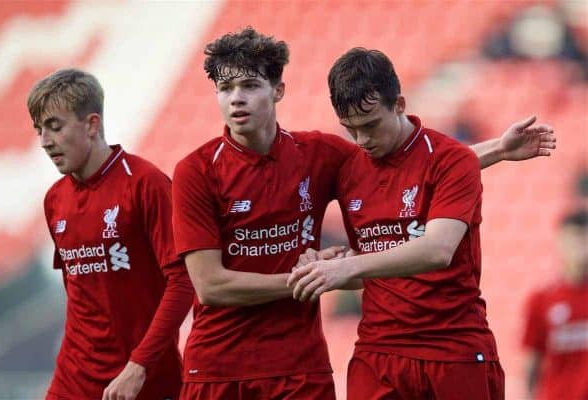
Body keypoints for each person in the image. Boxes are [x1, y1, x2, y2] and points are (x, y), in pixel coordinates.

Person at [172, 28, 556, 400]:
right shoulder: (204, 170)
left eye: (250, 85)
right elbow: (210, 285)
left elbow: (432, 187)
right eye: (226, 89)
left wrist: (498, 150)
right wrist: (314, 275)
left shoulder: (335, 156)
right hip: (303, 358)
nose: (362, 141)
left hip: (399, 353)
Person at [288, 48, 554, 400]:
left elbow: (437, 249)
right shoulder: (349, 167)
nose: (363, 140)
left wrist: (348, 266)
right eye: (352, 130)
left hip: (451, 349)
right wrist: (327, 267)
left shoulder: (450, 159)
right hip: (378, 353)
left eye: (370, 125)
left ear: (398, 104)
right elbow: (375, 259)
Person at [29, 68, 193, 400]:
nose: (45, 142)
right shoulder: (54, 199)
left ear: (92, 124)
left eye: (55, 127)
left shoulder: (147, 184)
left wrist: (139, 365)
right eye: (39, 130)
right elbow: (79, 291)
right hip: (72, 380)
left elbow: (184, 281)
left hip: (141, 381)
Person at [522, 210, 588, 400]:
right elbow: (532, 362)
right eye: (573, 240)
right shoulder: (542, 299)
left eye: (584, 239)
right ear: (560, 242)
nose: (580, 248)